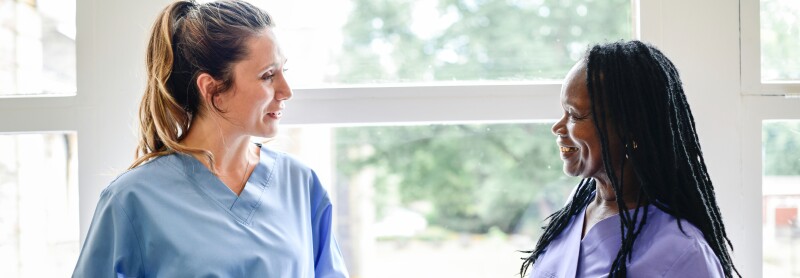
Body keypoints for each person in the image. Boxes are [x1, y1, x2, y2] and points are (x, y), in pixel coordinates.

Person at [72, 1, 349, 277]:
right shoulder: (131, 200)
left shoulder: (300, 185)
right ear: (212, 88)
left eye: (283, 72)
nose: (286, 91)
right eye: (267, 76)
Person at [519, 41, 739, 277]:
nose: (558, 127)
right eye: (563, 111)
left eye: (574, 114)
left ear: (629, 129)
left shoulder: (685, 254)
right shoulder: (575, 210)